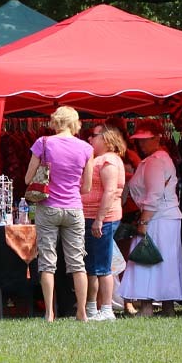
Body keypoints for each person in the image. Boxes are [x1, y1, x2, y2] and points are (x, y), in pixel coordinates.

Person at [25, 106, 94, 322]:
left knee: (47, 262)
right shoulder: (86, 148)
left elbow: (28, 179)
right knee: (77, 263)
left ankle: (49, 313)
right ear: (75, 123)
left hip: (48, 207)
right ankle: (81, 312)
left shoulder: (43, 143)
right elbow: (87, 188)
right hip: (74, 208)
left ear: (55, 121)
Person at [120, 118, 182, 317]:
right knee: (166, 263)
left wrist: (144, 220)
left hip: (157, 217)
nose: (141, 143)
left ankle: (147, 306)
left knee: (146, 260)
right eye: (139, 140)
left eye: (145, 139)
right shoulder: (162, 158)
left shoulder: (155, 161)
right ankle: (167, 306)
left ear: (157, 138)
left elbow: (154, 193)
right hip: (167, 217)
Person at [81, 125, 126, 321]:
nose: (90, 139)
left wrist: (99, 219)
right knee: (91, 265)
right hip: (91, 217)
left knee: (102, 266)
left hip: (103, 219)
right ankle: (91, 307)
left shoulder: (109, 160)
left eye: (94, 136)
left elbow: (109, 191)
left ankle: (106, 308)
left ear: (106, 138)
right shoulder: (98, 159)